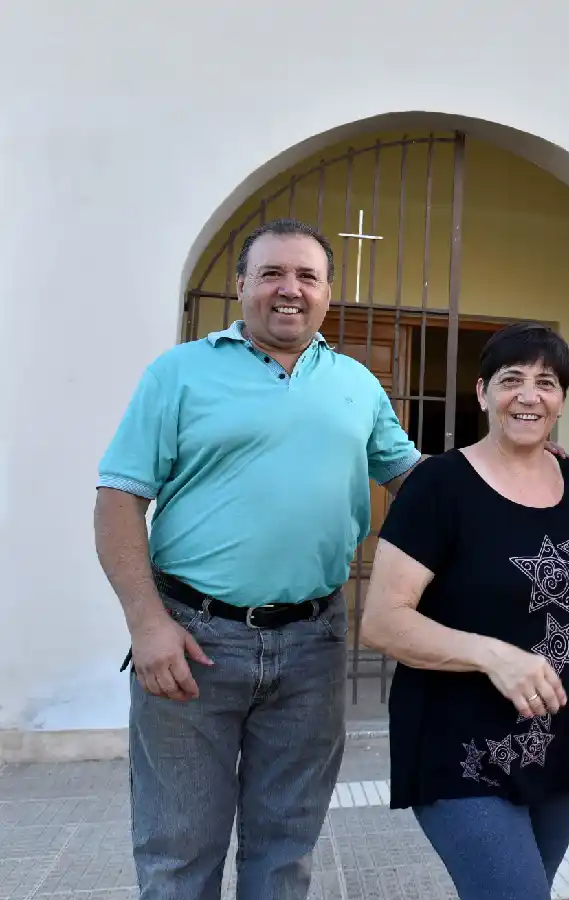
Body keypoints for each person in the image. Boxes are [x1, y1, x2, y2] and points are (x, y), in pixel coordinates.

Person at [93, 218, 425, 900]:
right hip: (192, 641)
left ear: (328, 293)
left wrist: (512, 468)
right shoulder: (179, 372)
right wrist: (146, 624)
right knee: (178, 853)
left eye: (307, 276)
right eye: (272, 273)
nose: (289, 290)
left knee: (285, 852)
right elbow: (118, 500)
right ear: (241, 286)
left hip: (314, 645)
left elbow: (413, 480)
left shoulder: (357, 384)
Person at [358, 323, 569, 900]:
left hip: (561, 744)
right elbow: (383, 619)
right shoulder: (439, 486)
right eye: (511, 380)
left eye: (546, 382)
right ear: (481, 392)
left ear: (562, 400)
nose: (528, 395)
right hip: (461, 746)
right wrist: (494, 656)